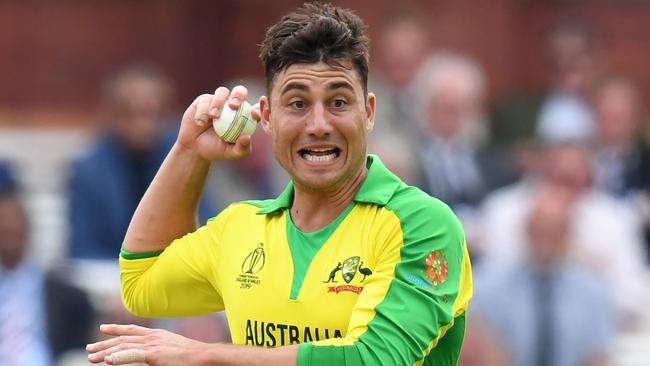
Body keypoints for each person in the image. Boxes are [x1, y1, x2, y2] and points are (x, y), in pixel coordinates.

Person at [86, 3, 472, 366]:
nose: (319, 124)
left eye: (338, 102)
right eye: (298, 104)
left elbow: (374, 357)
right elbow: (141, 280)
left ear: (368, 113)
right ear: (266, 117)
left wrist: (207, 355)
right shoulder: (240, 227)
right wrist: (188, 152)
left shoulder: (422, 224)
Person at [68, 62, 213, 259]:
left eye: (152, 113)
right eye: (131, 113)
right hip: (110, 280)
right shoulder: (89, 171)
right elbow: (83, 248)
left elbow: (204, 229)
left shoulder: (187, 159)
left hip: (173, 273)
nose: (143, 124)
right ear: (112, 115)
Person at [472, 187, 613, 366]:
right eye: (540, 231)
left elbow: (598, 357)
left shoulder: (593, 292)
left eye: (554, 232)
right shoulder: (488, 285)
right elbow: (480, 350)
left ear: (569, 235)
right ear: (525, 230)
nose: (546, 241)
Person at [0, 163, 95, 365]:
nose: (9, 235)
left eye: (14, 230)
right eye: (4, 231)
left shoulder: (63, 293)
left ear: (27, 230)